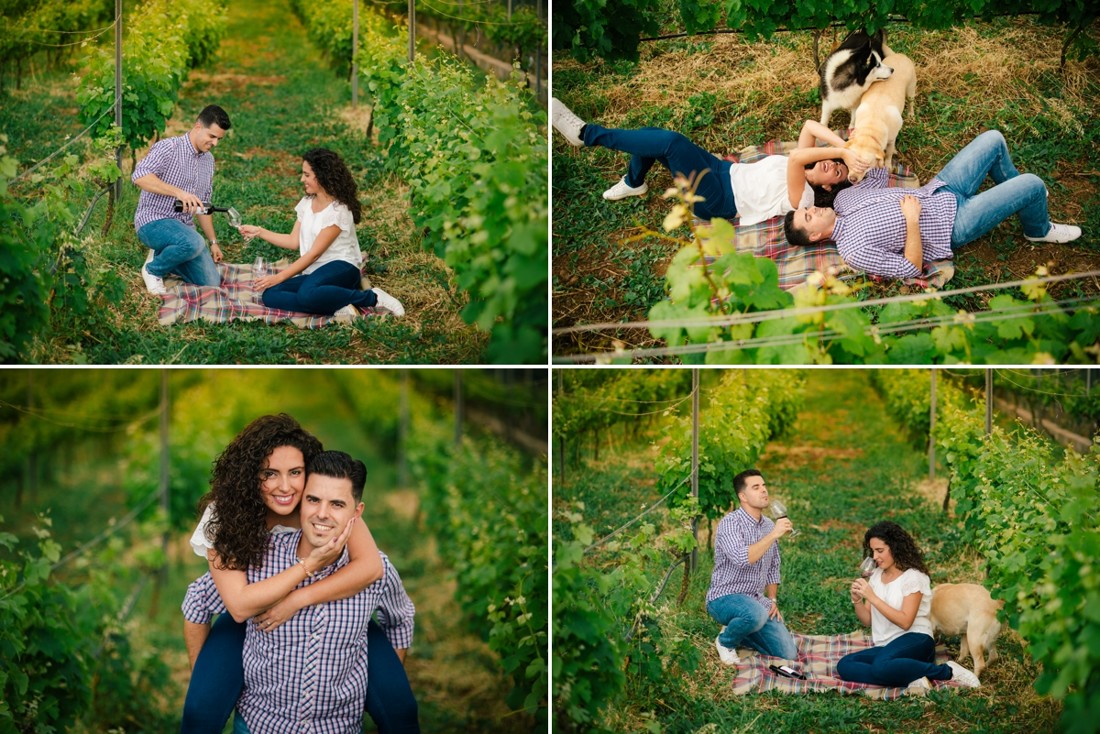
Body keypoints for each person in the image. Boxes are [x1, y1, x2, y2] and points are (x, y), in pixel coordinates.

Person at [178, 415, 416, 733]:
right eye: (270, 473)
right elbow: (237, 605)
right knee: (201, 707)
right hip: (248, 615)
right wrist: (309, 566)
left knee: (401, 708)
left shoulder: (320, 505)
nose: (286, 487)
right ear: (251, 475)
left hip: (337, 609)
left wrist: (297, 599)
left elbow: (371, 567)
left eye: (296, 472)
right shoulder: (226, 517)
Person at [227, 450, 404, 733]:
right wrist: (208, 685)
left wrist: (391, 683)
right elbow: (199, 599)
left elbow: (401, 618)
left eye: (336, 504)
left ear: (356, 513)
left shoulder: (374, 568)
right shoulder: (260, 558)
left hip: (337, 727)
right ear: (300, 503)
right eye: (313, 500)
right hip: (260, 724)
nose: (322, 514)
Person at [183, 532, 418, 734]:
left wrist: (374, 681)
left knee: (400, 709)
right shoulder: (259, 555)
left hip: (338, 721)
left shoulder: (370, 565)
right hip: (261, 715)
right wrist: (202, 677)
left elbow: (399, 613)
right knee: (201, 710)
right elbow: (201, 599)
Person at [783, 130, 1082, 279]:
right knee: (1032, 183)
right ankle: (1037, 228)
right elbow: (910, 268)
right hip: (954, 223)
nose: (814, 209)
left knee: (993, 138)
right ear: (815, 236)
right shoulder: (854, 251)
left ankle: (1018, 196)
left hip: (940, 187)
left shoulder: (845, 196)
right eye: (809, 217)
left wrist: (856, 147)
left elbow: (877, 171)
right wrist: (912, 221)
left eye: (808, 208)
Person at [552, 97, 868, 223]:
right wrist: (847, 146)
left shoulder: (805, 198)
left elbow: (799, 156)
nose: (831, 165)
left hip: (717, 200)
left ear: (829, 187)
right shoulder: (809, 165)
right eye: (834, 162)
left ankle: (586, 134)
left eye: (837, 171)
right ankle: (634, 182)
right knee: (653, 135)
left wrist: (841, 154)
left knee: (670, 142)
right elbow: (809, 127)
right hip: (721, 169)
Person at [237, 148, 405, 317]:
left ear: (322, 175)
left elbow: (314, 254)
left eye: (307, 175)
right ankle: (337, 305)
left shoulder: (338, 210)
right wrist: (259, 231)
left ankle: (372, 297)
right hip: (314, 274)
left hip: (342, 268)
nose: (302, 179)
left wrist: (279, 277)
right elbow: (293, 241)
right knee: (270, 295)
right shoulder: (307, 203)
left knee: (306, 294)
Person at [836, 520, 981, 689]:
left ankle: (947, 671)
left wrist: (873, 597)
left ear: (895, 548)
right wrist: (857, 600)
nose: (875, 557)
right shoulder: (876, 575)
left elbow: (905, 622)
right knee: (845, 665)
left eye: (880, 551)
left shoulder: (913, 577)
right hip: (887, 647)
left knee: (880, 666)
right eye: (873, 551)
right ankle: (912, 676)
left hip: (916, 640)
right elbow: (867, 620)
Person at [133, 104, 231, 294]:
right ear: (197, 126)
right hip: (153, 220)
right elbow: (140, 176)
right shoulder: (168, 147)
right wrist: (178, 192)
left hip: (184, 229)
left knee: (211, 282)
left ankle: (163, 252)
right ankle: (153, 270)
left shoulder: (208, 161)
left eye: (219, 139)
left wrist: (213, 241)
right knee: (194, 243)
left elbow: (202, 206)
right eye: (212, 136)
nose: (215, 143)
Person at [706, 469, 799, 664]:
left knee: (787, 653)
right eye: (756, 487)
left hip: (756, 600)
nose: (764, 491)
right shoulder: (730, 523)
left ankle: (741, 629)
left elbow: (774, 566)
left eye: (764, 486)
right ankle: (725, 641)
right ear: (743, 496)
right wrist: (774, 534)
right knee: (755, 614)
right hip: (725, 597)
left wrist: (772, 600)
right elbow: (742, 558)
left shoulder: (767, 525)